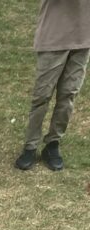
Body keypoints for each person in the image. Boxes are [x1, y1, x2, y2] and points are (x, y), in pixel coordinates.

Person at [14, 0, 89, 171]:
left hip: (83, 36)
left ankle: (53, 143)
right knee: (42, 96)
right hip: (53, 36)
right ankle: (30, 146)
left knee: (68, 94)